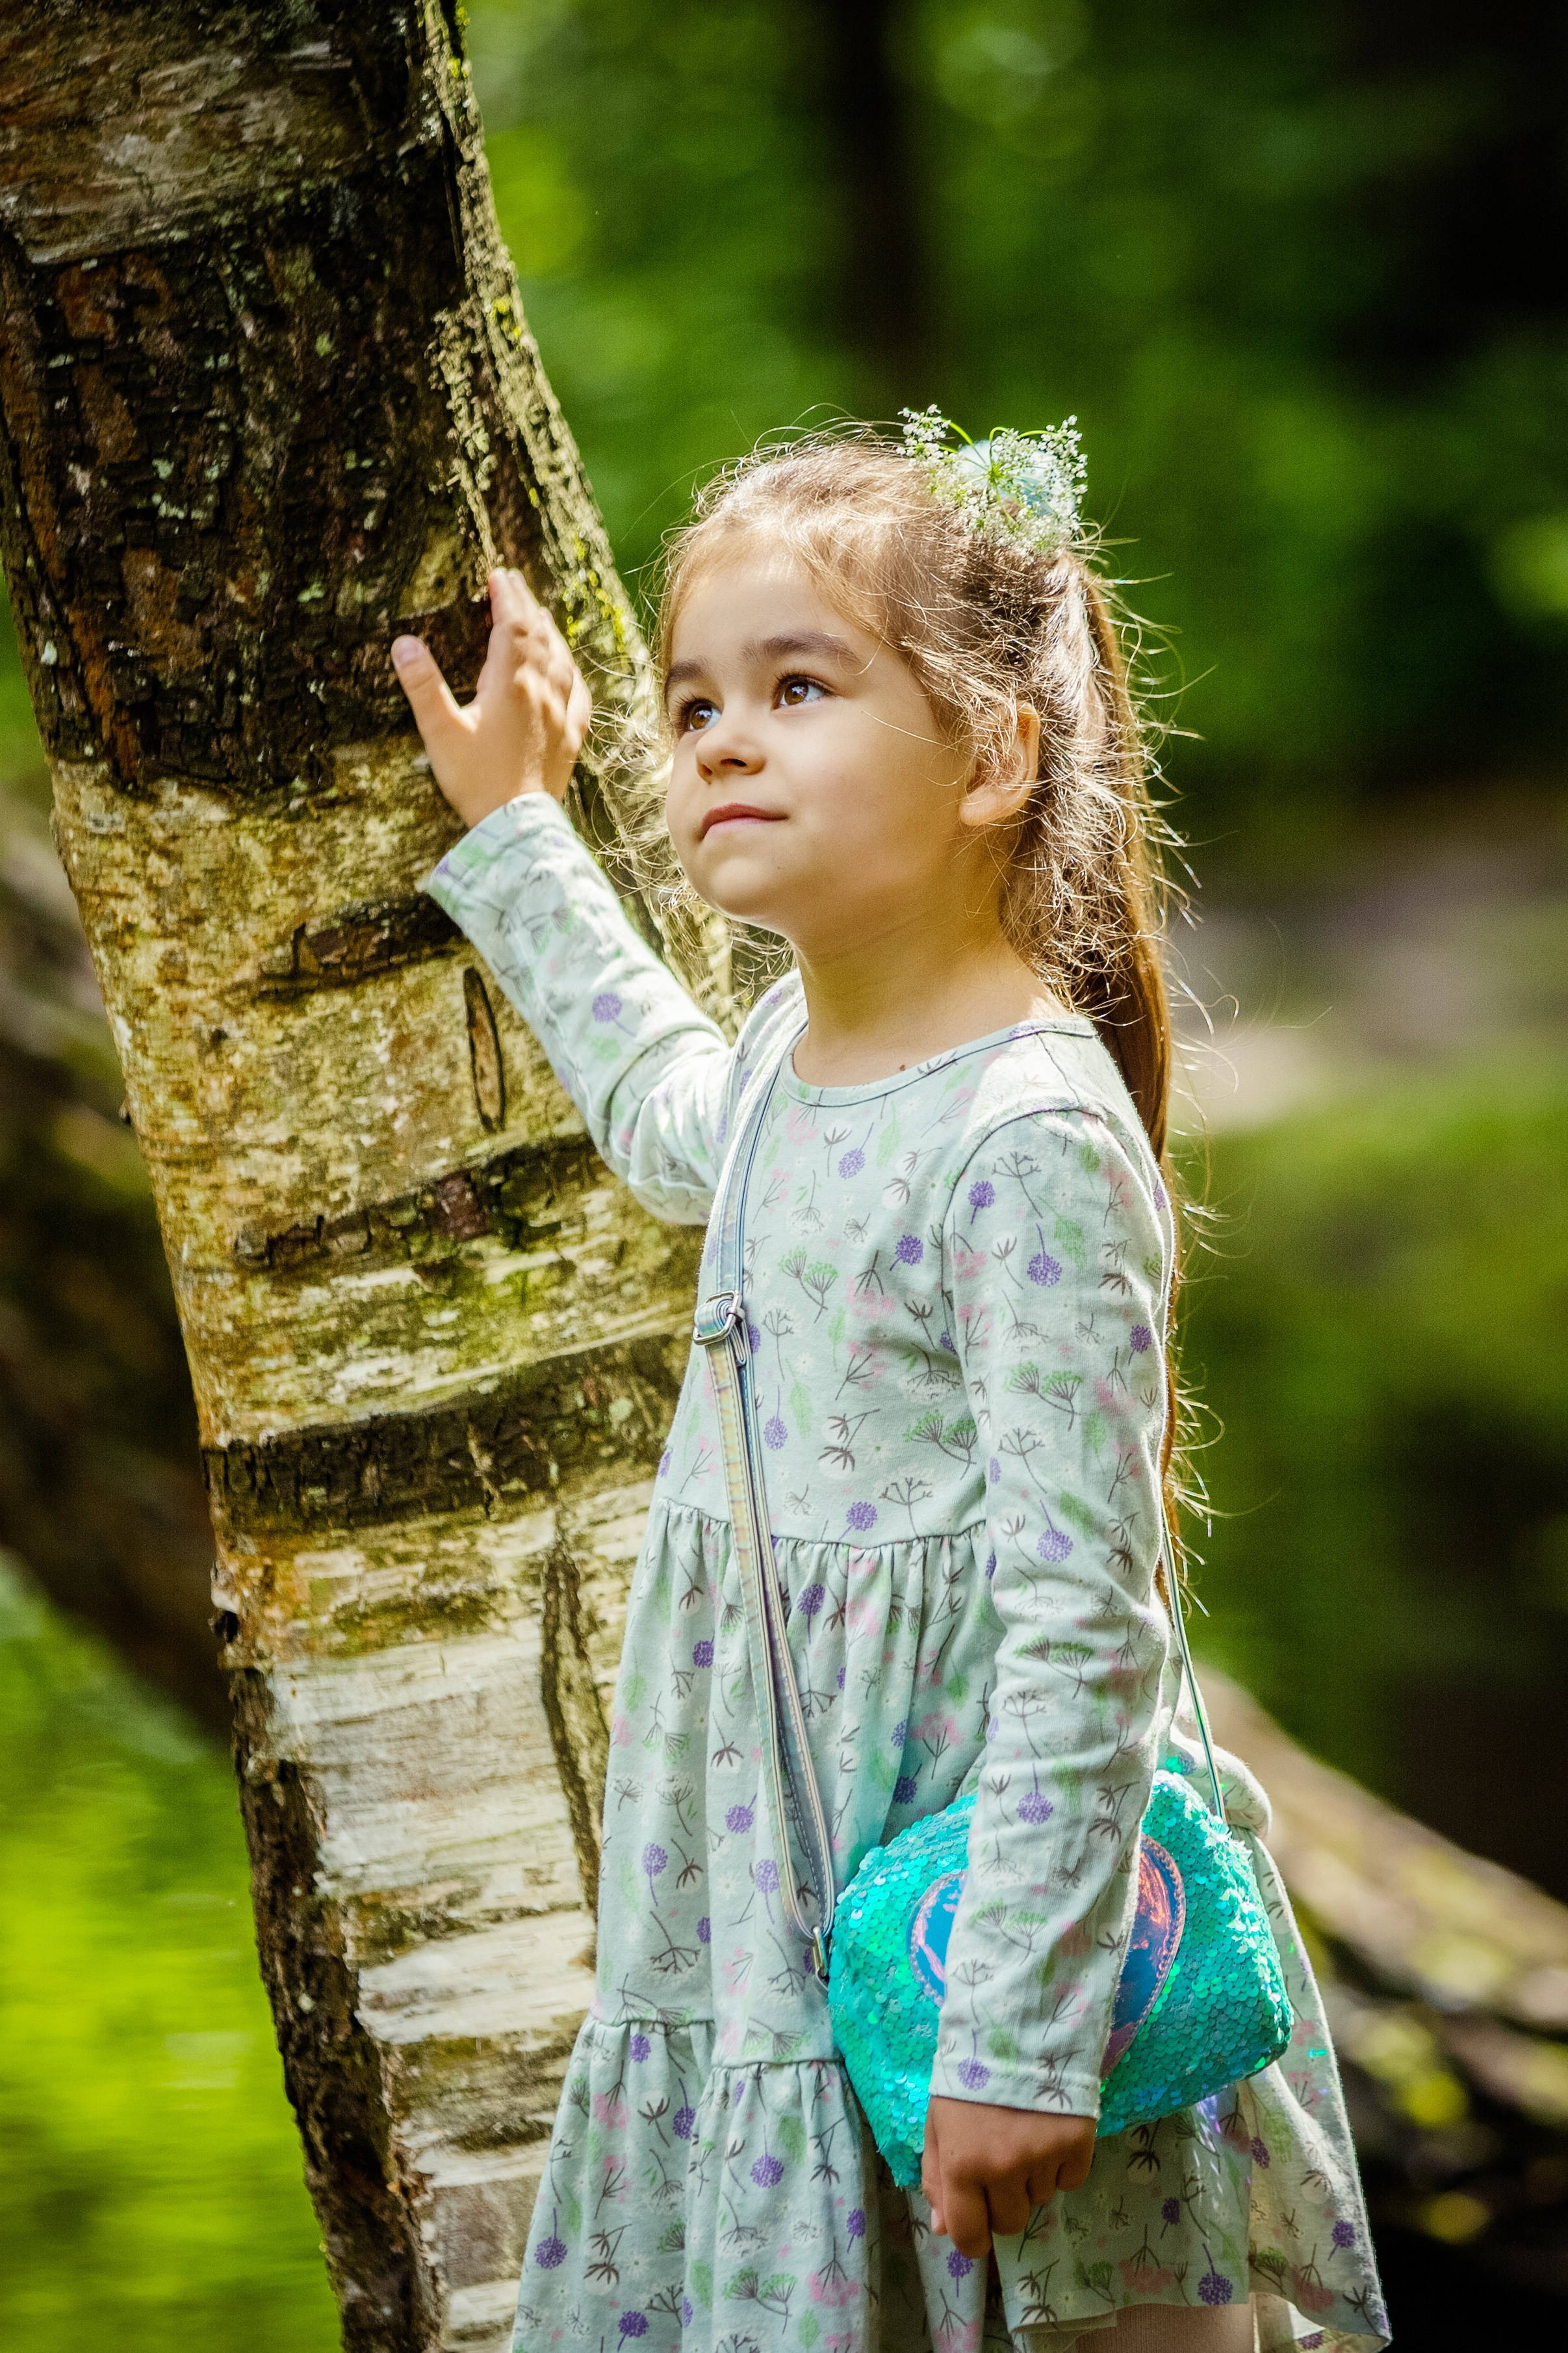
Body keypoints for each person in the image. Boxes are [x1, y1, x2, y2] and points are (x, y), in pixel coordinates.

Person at [391, 423, 1387, 2353]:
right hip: (772, 1894)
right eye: (689, 706)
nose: (719, 743)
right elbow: (662, 1105)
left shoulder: (1023, 1134)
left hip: (985, 1933)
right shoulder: (784, 1057)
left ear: (997, 757)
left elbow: (1084, 1619)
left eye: (796, 686)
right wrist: (517, 824)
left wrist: (1022, 2034)